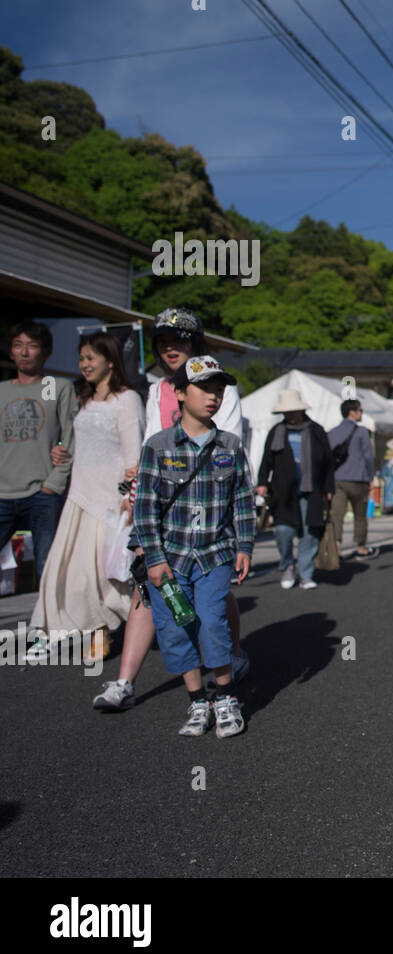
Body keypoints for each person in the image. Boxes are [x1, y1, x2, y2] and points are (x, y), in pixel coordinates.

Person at [91, 307, 250, 712]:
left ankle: (230, 656)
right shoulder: (158, 388)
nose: (169, 348)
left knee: (213, 595)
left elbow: (228, 443)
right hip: (164, 504)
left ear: (194, 342)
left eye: (178, 340)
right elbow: (150, 441)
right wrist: (139, 478)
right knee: (150, 584)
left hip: (209, 505)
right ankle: (125, 681)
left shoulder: (217, 385)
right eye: (162, 342)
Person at [134, 356, 254, 737]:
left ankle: (225, 695)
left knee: (212, 621)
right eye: (205, 389)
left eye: (219, 390)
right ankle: (197, 701)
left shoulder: (231, 445)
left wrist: (245, 546)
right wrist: (153, 558)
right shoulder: (157, 446)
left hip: (214, 553)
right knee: (173, 627)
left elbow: (244, 500)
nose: (214, 397)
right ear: (180, 393)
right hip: (170, 557)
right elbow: (145, 508)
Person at [28, 333, 143, 663]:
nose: (84, 365)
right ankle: (57, 631)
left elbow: (134, 457)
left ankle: (103, 633)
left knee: (102, 573)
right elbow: (75, 442)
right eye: (81, 359)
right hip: (79, 494)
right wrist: (61, 453)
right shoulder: (84, 399)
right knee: (65, 570)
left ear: (110, 360)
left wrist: (129, 498)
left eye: (91, 358)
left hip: (111, 499)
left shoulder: (128, 400)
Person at [0, 320, 77, 581]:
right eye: (18, 345)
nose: (24, 352)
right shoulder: (2, 390)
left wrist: (54, 482)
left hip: (42, 491)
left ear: (44, 352)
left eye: (32, 346)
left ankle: (50, 621)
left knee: (47, 565)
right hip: (2, 490)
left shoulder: (54, 386)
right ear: (10, 351)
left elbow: (70, 436)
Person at [257, 388, 334, 591]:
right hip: (283, 491)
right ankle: (288, 565)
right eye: (286, 412)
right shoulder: (277, 432)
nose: (289, 415)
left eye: (293, 411)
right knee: (283, 531)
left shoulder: (316, 431)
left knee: (310, 533)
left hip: (312, 490)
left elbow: (327, 462)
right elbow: (267, 460)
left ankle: (306, 574)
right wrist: (262, 481)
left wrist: (329, 487)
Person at [327, 399, 377, 558]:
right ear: (352, 412)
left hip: (337, 479)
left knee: (337, 514)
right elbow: (369, 457)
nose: (361, 413)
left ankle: (336, 547)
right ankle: (361, 547)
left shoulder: (332, 432)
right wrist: (371, 476)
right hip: (358, 478)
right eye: (359, 410)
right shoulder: (362, 432)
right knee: (360, 515)